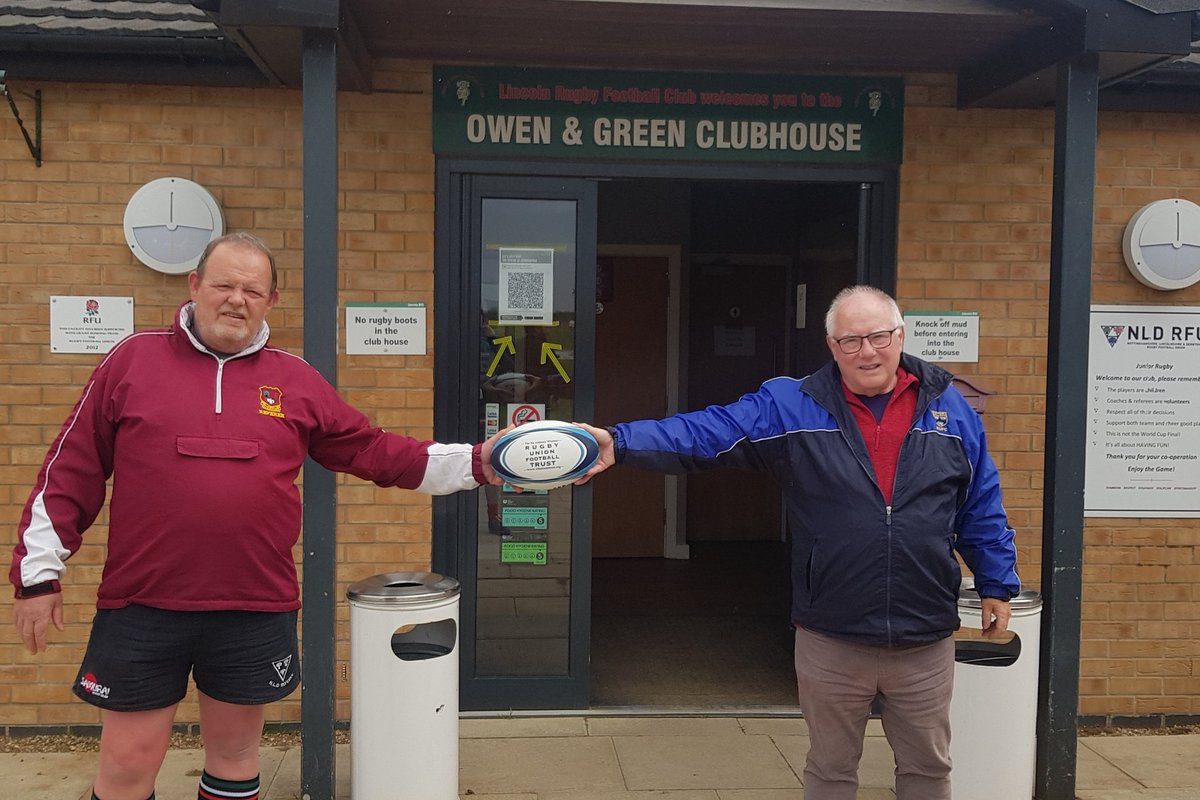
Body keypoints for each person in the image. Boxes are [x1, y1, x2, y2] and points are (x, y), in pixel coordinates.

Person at [9, 232, 503, 800]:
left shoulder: (295, 380)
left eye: (252, 290)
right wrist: (38, 575)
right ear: (194, 286)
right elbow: (70, 469)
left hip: (253, 606)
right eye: (223, 285)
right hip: (143, 605)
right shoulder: (132, 361)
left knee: (236, 757)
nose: (236, 300)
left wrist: (479, 461)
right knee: (126, 764)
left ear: (271, 300)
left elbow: (374, 450)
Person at [575, 285, 1020, 800]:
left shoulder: (950, 409)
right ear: (832, 346)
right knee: (831, 771)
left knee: (928, 769)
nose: (867, 352)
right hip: (832, 637)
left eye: (878, 337)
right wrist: (622, 442)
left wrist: (996, 582)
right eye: (850, 340)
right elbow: (709, 431)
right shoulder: (793, 405)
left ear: (900, 336)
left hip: (925, 637)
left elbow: (979, 501)